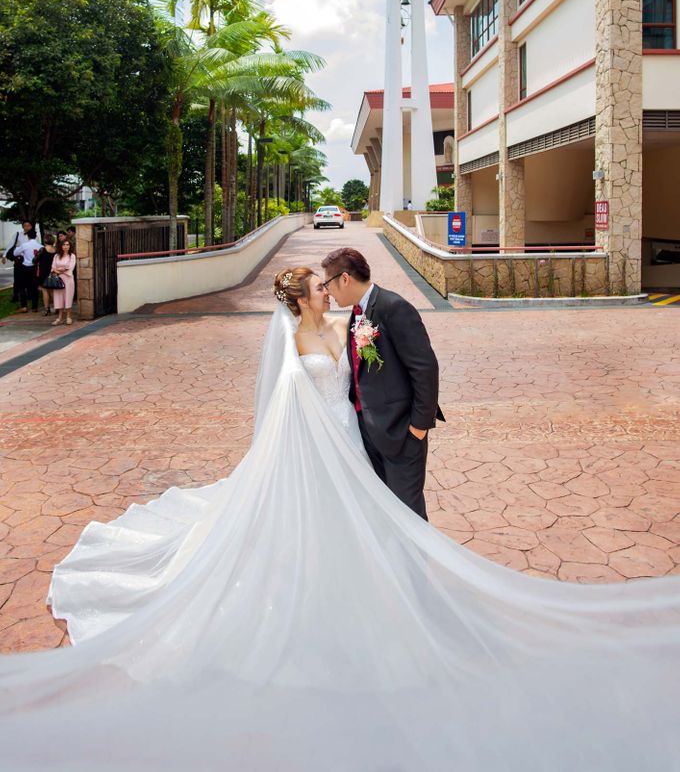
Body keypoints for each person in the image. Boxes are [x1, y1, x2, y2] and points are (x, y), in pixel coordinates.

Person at [2, 271, 680, 771]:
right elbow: (297, 403)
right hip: (320, 447)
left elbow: (362, 372)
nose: (328, 290)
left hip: (355, 437)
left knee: (372, 522)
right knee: (327, 527)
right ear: (301, 299)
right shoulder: (301, 334)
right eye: (318, 288)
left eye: (329, 285)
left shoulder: (342, 324)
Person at [321, 246, 443, 520]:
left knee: (408, 516)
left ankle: (413, 565)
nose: (328, 291)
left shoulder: (393, 307)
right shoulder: (357, 312)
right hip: (370, 433)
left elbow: (425, 368)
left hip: (402, 435)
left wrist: (418, 428)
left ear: (344, 278)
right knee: (384, 516)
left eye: (328, 283)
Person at [2, 220, 34, 303]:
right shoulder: (17, 234)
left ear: (31, 226)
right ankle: (15, 296)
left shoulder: (35, 235)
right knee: (17, 279)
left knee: (29, 278)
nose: (27, 227)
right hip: (19, 259)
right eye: (25, 225)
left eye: (28, 225)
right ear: (22, 226)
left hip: (30, 259)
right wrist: (4, 255)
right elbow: (10, 244)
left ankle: (30, 295)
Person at [11, 226, 41, 313]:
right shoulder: (40, 246)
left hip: (25, 267)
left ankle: (24, 306)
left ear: (27, 236)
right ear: (36, 236)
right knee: (34, 287)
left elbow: (15, 253)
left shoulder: (24, 245)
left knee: (22, 286)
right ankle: (34, 307)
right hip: (35, 267)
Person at [50, 237, 77, 325]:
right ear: (61, 246)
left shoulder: (72, 256)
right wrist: (59, 270)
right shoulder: (56, 256)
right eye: (64, 245)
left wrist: (59, 269)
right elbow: (53, 267)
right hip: (58, 279)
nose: (65, 246)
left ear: (70, 246)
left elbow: (70, 268)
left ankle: (69, 316)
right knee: (58, 297)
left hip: (68, 279)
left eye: (67, 245)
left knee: (68, 297)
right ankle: (60, 318)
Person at [36, 234, 57, 315]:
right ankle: (57, 308)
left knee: (45, 291)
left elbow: (34, 260)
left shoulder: (42, 249)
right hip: (53, 272)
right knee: (52, 291)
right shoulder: (55, 250)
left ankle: (47, 309)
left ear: (45, 240)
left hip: (43, 272)